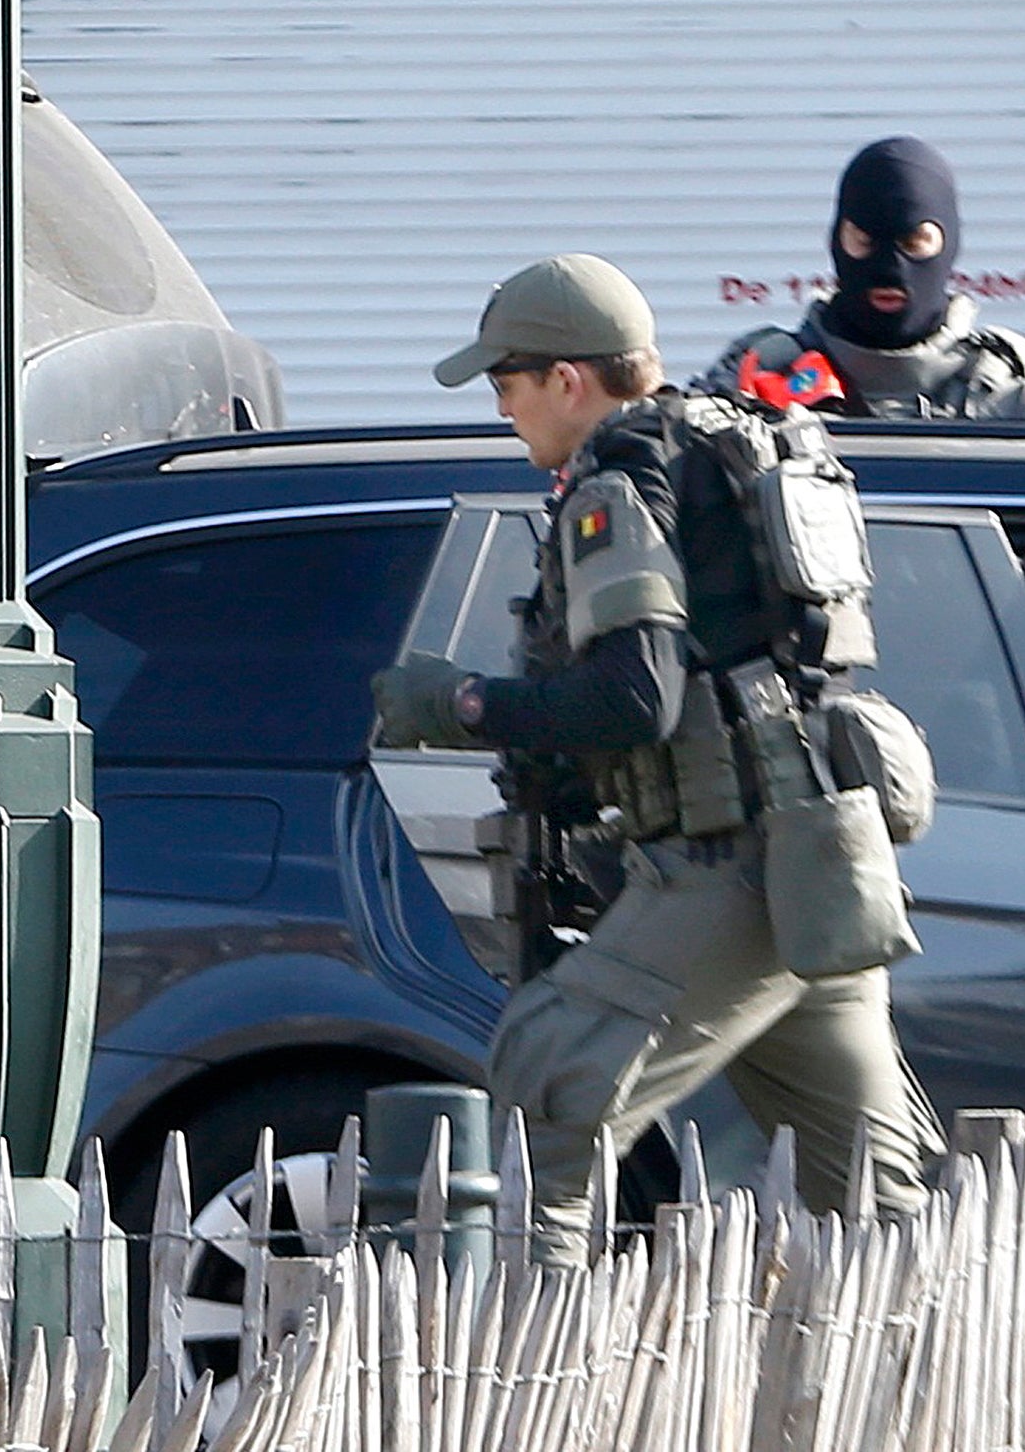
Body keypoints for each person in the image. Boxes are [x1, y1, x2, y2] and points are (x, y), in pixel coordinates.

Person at [373, 252, 945, 1263]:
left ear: (568, 380)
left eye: (506, 383)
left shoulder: (619, 478)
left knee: (544, 1103)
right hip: (819, 868)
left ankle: (518, 1395)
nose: (502, 409)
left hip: (728, 864)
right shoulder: (729, 445)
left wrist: (458, 704)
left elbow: (633, 698)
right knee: (868, 1188)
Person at [703, 136, 1025, 417]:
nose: (889, 266)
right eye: (865, 241)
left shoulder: (1010, 384)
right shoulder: (757, 373)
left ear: (948, 244)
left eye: (913, 243)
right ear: (836, 240)